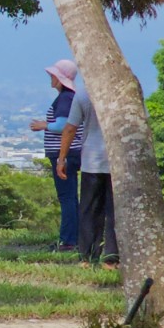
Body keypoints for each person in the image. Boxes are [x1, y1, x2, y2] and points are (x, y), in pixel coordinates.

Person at [57, 80, 118, 267]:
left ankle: (87, 255)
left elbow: (70, 128)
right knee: (114, 211)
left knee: (89, 210)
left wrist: (61, 159)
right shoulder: (121, 92)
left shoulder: (83, 94)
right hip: (117, 160)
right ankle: (111, 257)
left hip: (91, 160)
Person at [30, 59, 82, 251]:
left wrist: (44, 125)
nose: (51, 78)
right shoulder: (71, 97)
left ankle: (68, 240)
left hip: (65, 153)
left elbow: (63, 125)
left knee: (66, 197)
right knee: (71, 197)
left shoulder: (65, 99)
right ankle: (75, 237)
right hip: (74, 152)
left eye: (53, 75)